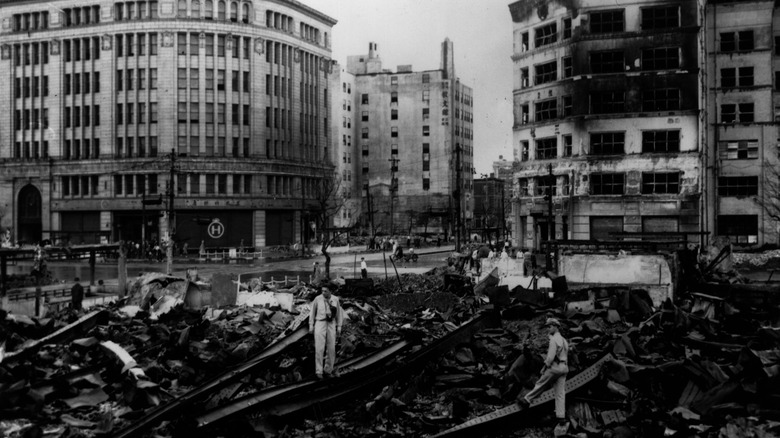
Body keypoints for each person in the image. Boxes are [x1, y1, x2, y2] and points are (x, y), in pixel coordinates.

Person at [518, 318, 569, 427]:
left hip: (555, 366)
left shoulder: (554, 340)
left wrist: (544, 368)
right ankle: (561, 417)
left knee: (541, 383)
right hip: (564, 367)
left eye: (550, 326)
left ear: (556, 326)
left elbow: (550, 358)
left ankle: (527, 399)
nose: (548, 328)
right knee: (560, 393)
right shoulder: (564, 340)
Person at [309, 286, 344, 379]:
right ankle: (319, 371)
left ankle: (328, 369)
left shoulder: (335, 299)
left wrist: (339, 327)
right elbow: (312, 313)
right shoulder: (318, 299)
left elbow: (339, 314)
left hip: (331, 324)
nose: (323, 293)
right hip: (320, 323)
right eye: (322, 291)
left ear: (330, 291)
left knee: (331, 348)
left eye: (325, 291)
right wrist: (311, 326)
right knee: (319, 348)